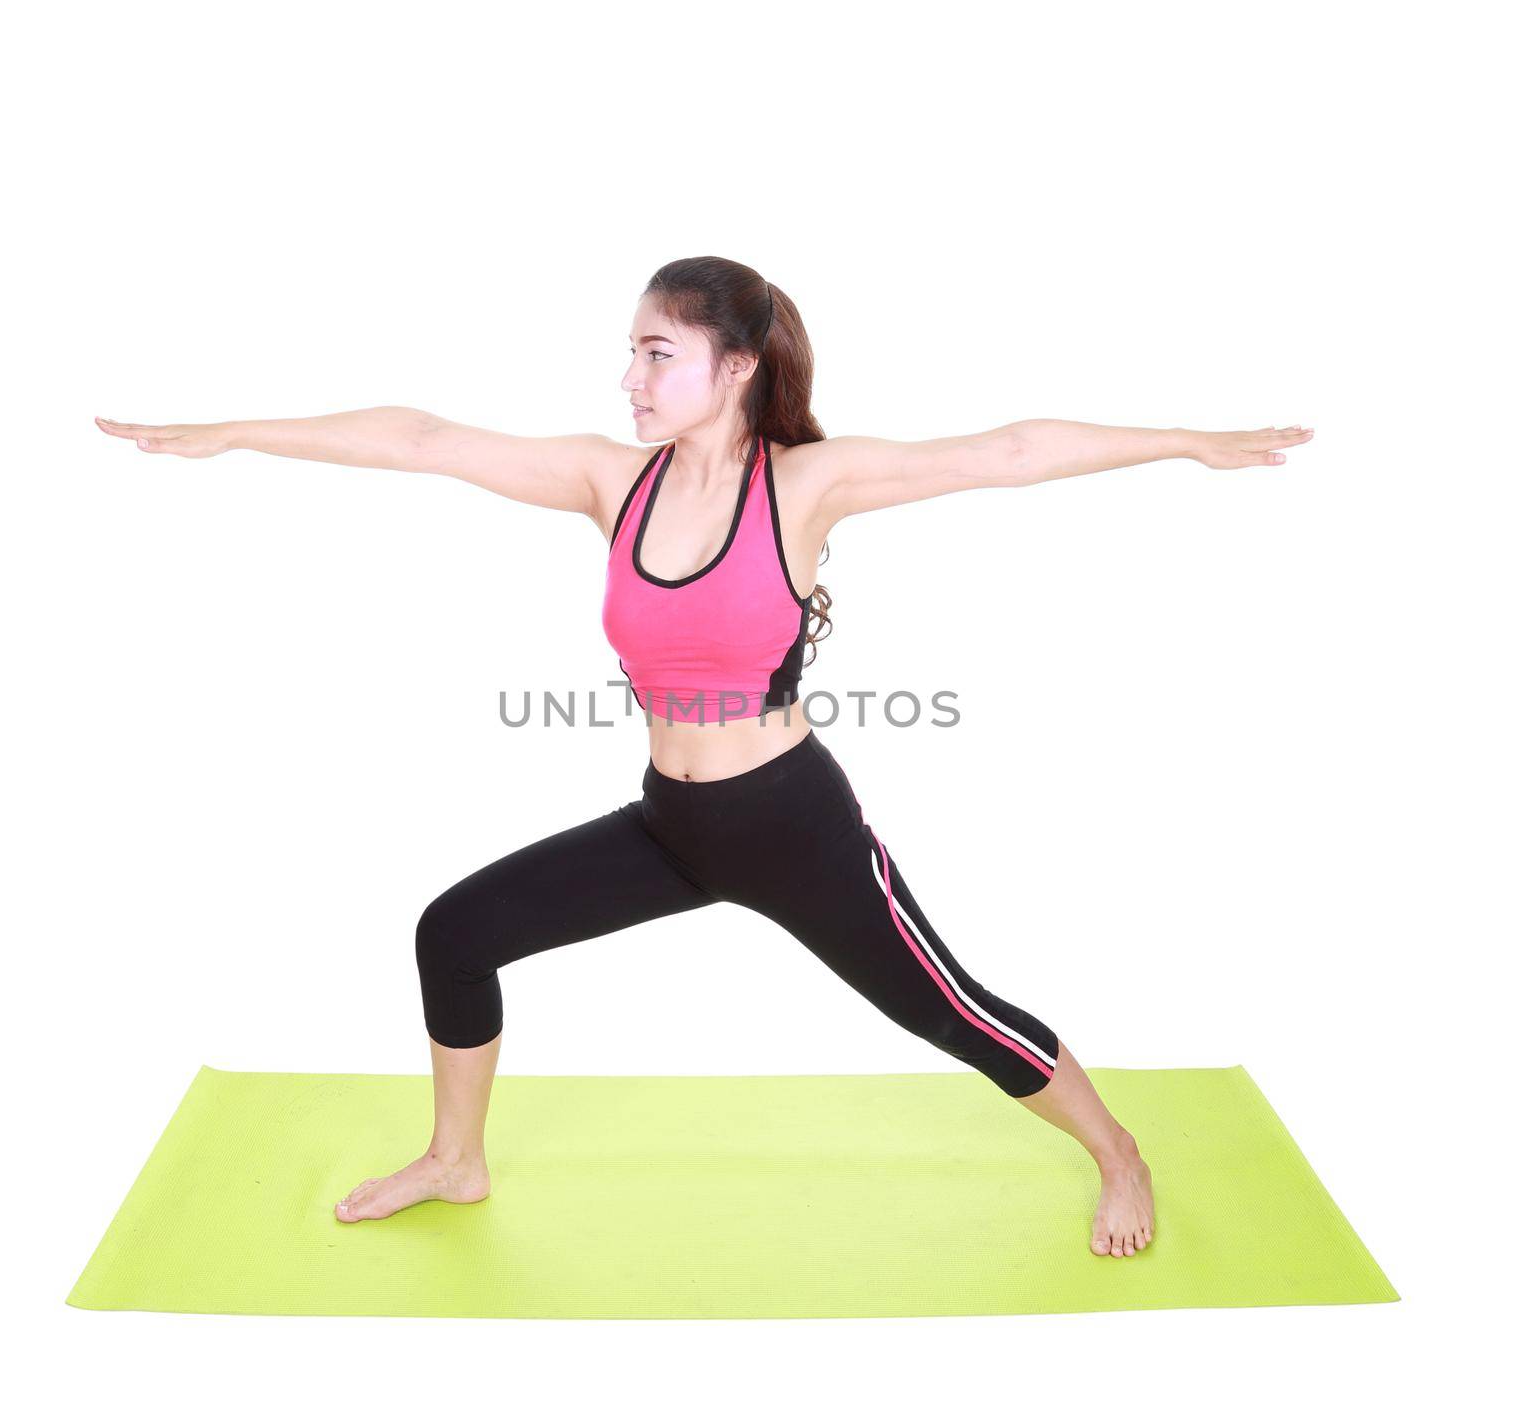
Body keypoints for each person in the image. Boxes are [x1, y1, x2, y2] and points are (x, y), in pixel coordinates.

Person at [96, 255, 1313, 1258]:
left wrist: (1192, 443)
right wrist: (233, 433)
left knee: (959, 1018)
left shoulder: (806, 488)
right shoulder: (606, 483)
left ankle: (1117, 1150)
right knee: (453, 933)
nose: (629, 375)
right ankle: (455, 1159)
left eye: (655, 353)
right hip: (668, 824)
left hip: (791, 827)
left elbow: (1005, 452)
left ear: (733, 367)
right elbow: (421, 438)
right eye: (630, 350)